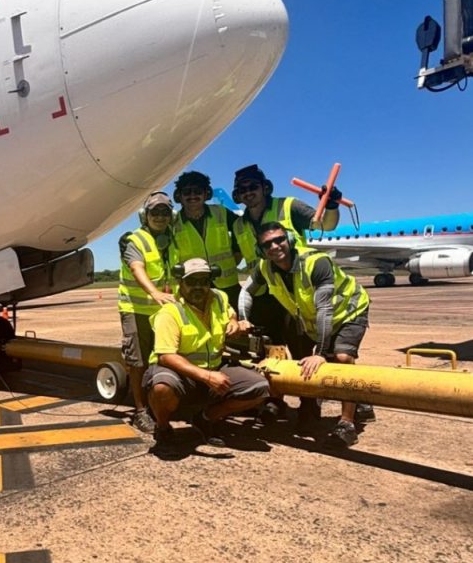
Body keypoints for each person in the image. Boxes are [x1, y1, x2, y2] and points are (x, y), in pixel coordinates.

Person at [239, 222, 372, 446]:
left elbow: (325, 309)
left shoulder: (315, 262)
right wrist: (243, 317)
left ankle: (347, 423)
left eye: (279, 240)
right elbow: (247, 291)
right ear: (261, 250)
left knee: (341, 358)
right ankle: (314, 409)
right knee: (303, 362)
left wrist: (320, 351)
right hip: (311, 319)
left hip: (348, 311)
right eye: (267, 244)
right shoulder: (265, 268)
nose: (275, 246)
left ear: (289, 240)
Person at [231, 163, 343, 426]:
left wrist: (332, 204)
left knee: (303, 350)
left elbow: (324, 224)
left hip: (296, 292)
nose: (248, 193)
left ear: (265, 188)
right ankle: (274, 401)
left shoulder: (288, 206)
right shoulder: (238, 225)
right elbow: (238, 257)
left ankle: (309, 405)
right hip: (264, 295)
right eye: (243, 190)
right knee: (268, 352)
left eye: (253, 187)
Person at [143, 258, 270, 456]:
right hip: (179, 372)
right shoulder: (170, 312)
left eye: (203, 281)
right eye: (191, 281)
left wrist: (234, 322)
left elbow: (230, 313)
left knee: (259, 388)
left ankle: (205, 418)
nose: (198, 287)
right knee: (162, 389)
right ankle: (163, 427)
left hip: (214, 366)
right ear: (181, 283)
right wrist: (207, 377)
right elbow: (166, 356)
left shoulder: (218, 297)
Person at [118, 192, 177, 433]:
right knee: (138, 361)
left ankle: (158, 401)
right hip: (137, 309)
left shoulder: (172, 240)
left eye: (165, 212)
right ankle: (140, 411)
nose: (160, 216)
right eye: (155, 212)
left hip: (163, 310)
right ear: (145, 215)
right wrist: (154, 292)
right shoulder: (135, 240)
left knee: (163, 357)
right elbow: (136, 268)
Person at [170, 171, 241, 308]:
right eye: (187, 192)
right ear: (179, 196)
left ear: (206, 194)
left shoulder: (221, 212)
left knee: (234, 326)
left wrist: (237, 252)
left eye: (197, 191)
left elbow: (243, 229)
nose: (192, 196)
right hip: (193, 287)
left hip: (227, 284)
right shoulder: (173, 222)